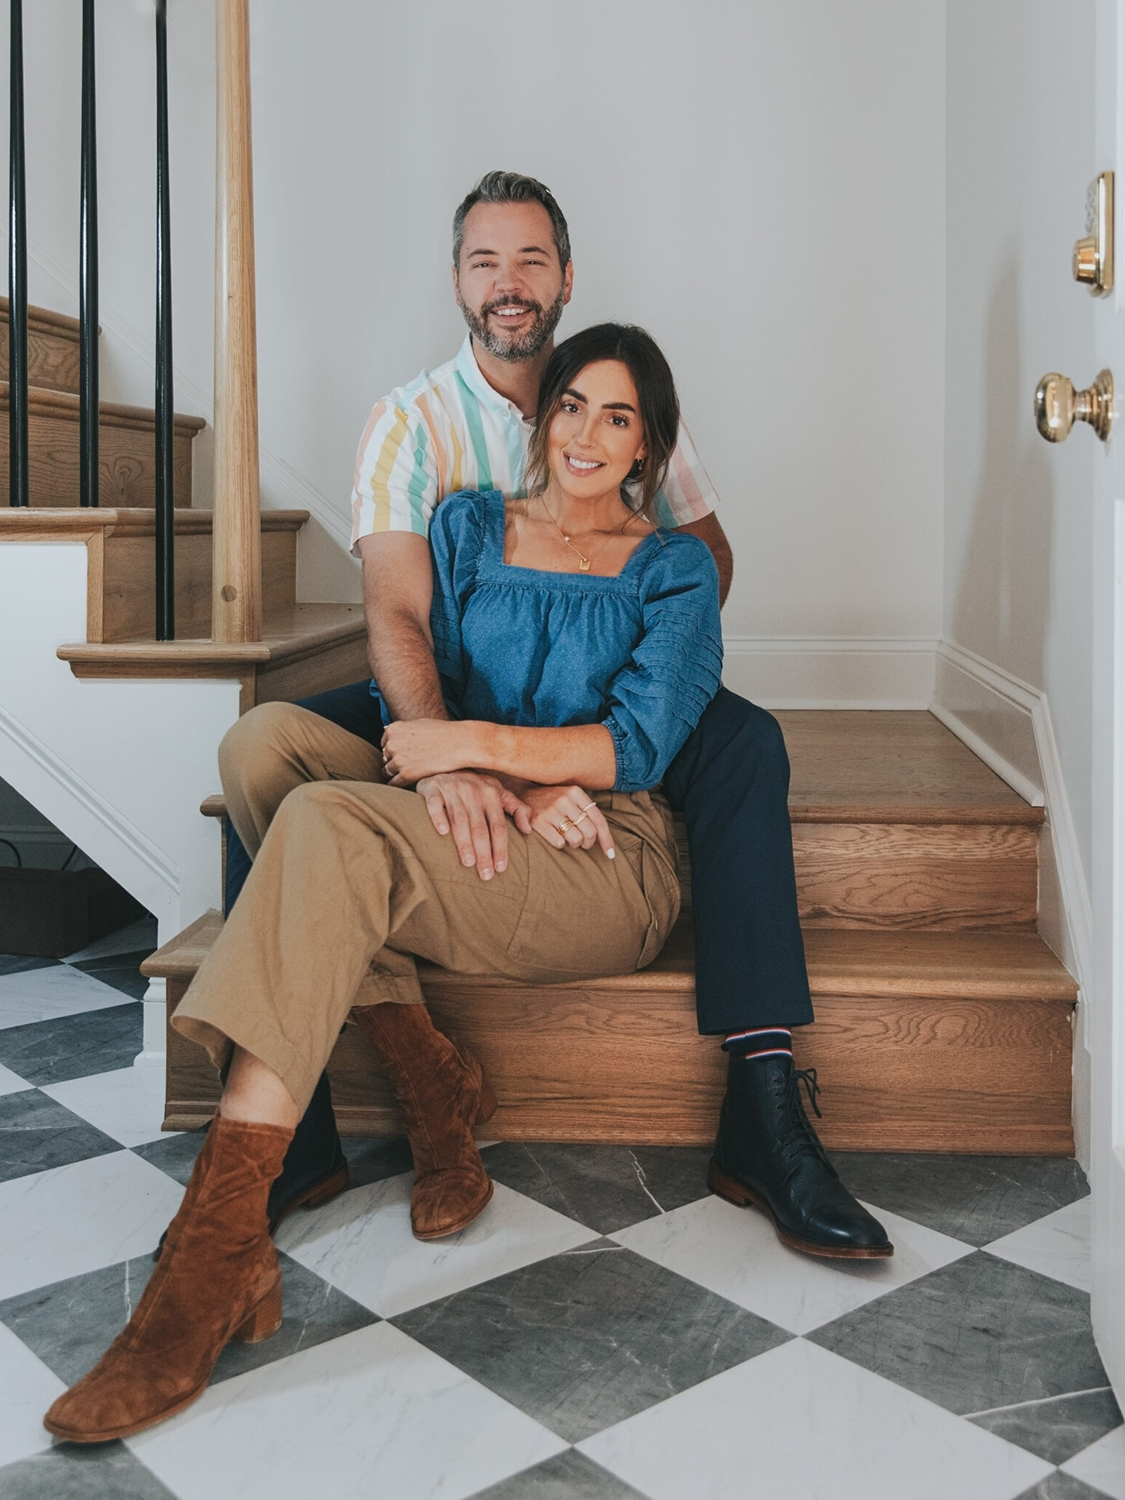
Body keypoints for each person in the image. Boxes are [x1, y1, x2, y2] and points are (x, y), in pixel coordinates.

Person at [45, 325, 729, 1442]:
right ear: (540, 417)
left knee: (325, 825)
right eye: (571, 406)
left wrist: (490, 758)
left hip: (605, 857)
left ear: (649, 443)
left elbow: (635, 749)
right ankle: (429, 1082)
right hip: (496, 807)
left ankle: (213, 1258)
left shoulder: (671, 568)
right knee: (263, 747)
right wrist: (489, 772)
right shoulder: (468, 528)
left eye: (618, 416)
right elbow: (421, 670)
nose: (587, 434)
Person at [212, 171, 890, 1263]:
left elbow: (706, 552)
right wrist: (462, 768)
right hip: (448, 687)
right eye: (486, 261)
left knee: (747, 743)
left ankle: (763, 1105)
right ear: (457, 282)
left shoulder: (613, 390)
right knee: (262, 747)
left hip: (601, 685)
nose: (509, 282)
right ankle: (316, 1123)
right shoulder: (414, 422)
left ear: (566, 278)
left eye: (531, 260)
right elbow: (394, 613)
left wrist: (633, 683)